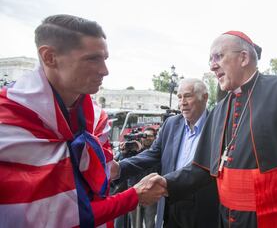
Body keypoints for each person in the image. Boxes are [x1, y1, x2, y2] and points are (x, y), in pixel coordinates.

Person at [150, 31, 277, 228]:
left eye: (218, 56)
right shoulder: (220, 110)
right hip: (227, 219)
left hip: (275, 219)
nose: (212, 65)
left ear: (244, 57)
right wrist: (167, 183)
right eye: (210, 59)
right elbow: (203, 168)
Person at [0, 14, 165, 228]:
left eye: (104, 58)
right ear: (50, 57)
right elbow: (51, 218)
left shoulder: (96, 121)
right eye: (92, 59)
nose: (104, 70)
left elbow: (101, 178)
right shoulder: (8, 122)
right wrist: (134, 195)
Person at [113, 78, 219, 228]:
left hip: (202, 207)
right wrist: (120, 168)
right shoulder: (171, 124)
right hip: (170, 203)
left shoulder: (217, 125)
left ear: (205, 97)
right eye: (179, 97)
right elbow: (152, 154)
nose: (182, 102)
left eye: (188, 96)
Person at [127, 127, 159, 228]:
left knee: (150, 224)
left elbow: (158, 167)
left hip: (150, 191)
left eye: (150, 136)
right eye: (144, 136)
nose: (147, 138)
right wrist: (124, 152)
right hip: (134, 191)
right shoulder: (133, 150)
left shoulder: (157, 153)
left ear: (155, 138)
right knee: (135, 224)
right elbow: (123, 166)